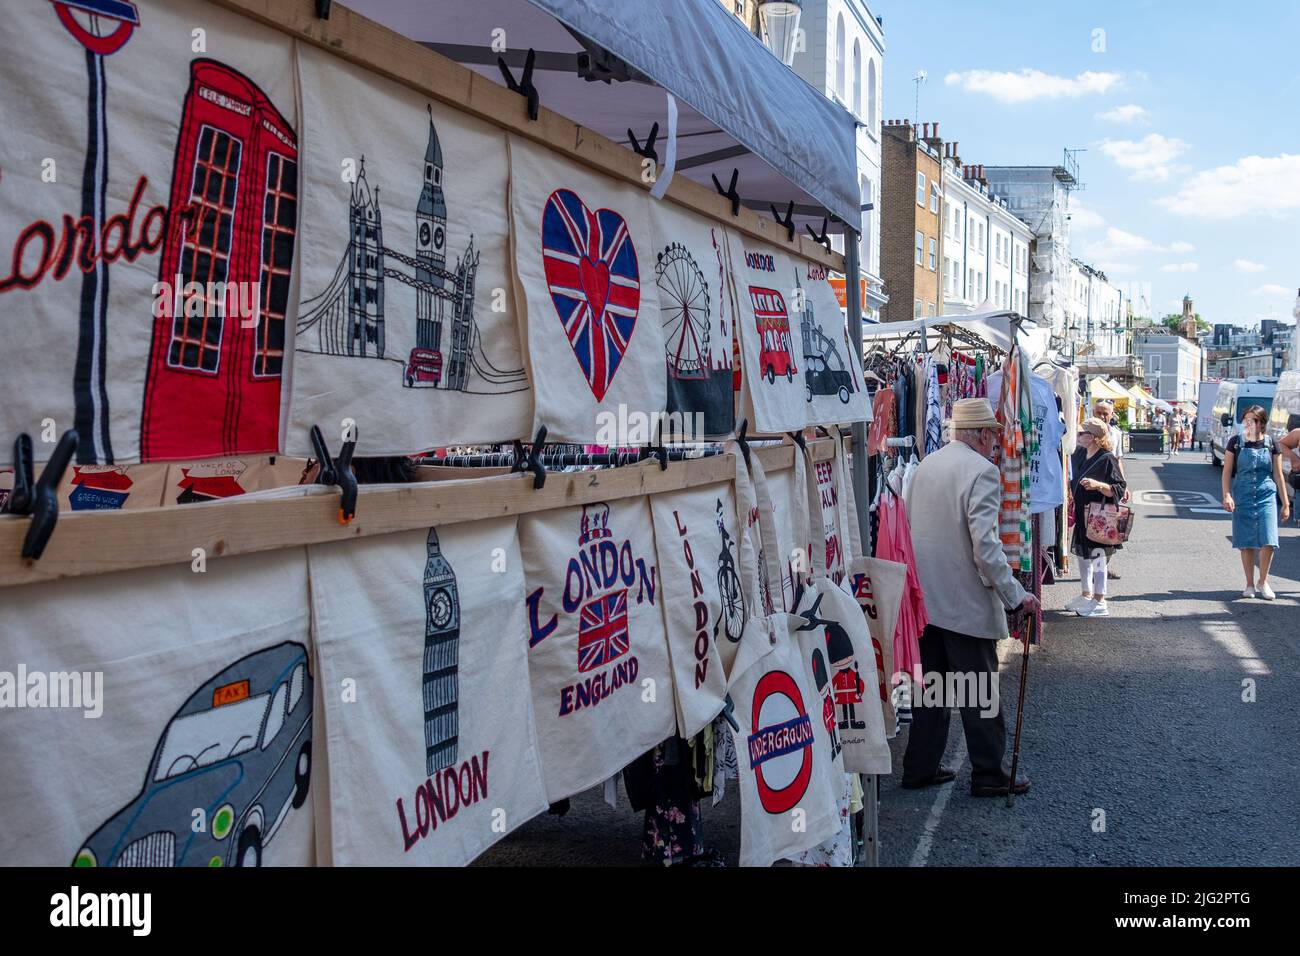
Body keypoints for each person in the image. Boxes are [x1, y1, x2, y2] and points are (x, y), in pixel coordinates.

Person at [901, 398, 1039, 798]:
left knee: (934, 689)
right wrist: (1015, 595)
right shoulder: (982, 472)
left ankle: (919, 767)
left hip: (926, 598)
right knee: (978, 691)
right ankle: (990, 774)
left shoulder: (926, 465)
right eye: (993, 436)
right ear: (981, 434)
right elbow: (986, 549)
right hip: (963, 602)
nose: (995, 444)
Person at [1222, 406, 1290, 599]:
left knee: (1269, 540)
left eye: (1254, 420)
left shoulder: (1272, 444)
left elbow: (1278, 474)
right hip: (1242, 494)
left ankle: (1263, 581)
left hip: (1266, 494)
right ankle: (1250, 584)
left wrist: (1285, 503)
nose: (1250, 424)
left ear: (1262, 423)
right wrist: (1227, 495)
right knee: (1246, 542)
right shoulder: (1235, 443)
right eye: (1247, 420)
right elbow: (1227, 472)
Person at [1066, 418, 1128, 617]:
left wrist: (1098, 485)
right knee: (1084, 555)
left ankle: (1100, 599)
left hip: (1100, 515)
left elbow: (1120, 487)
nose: (1078, 436)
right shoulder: (1080, 455)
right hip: (1084, 513)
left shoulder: (1107, 458)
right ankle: (1087, 594)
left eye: (1082, 433)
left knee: (1098, 556)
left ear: (1093, 438)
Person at [1091, 400, 1130, 579]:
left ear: (1112, 415)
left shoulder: (1116, 434)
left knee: (1111, 526)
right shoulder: (1087, 433)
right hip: (1092, 485)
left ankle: (1103, 566)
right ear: (1093, 412)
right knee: (1093, 526)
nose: (1103, 416)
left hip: (1111, 486)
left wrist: (1124, 484)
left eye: (1106, 413)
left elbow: (1118, 459)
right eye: (1099, 413)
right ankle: (1094, 570)